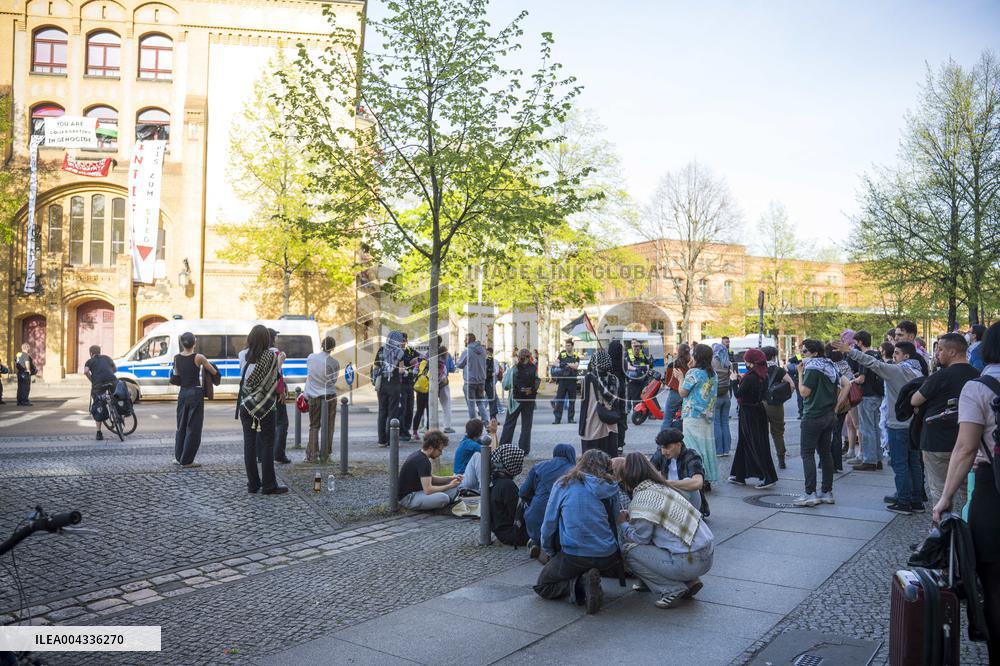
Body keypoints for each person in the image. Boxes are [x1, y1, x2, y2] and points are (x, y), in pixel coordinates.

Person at [932, 320, 1000, 663]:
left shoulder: (980, 387)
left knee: (993, 583)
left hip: (992, 492)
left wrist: (945, 498)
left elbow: (965, 448)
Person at [835, 337, 927, 514]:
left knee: (900, 464)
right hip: (913, 424)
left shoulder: (898, 371)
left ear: (906, 355)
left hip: (897, 424)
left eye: (897, 354)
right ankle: (916, 501)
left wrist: (850, 351)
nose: (894, 357)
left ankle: (904, 501)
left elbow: (872, 363)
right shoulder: (918, 371)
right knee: (914, 462)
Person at [617, 452, 714, 609]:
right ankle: (690, 581)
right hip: (707, 554)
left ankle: (671, 589)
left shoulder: (642, 499)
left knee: (628, 551)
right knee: (662, 539)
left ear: (627, 479)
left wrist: (623, 524)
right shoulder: (664, 488)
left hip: (689, 562)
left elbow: (640, 539)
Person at [533, 449, 623, 614]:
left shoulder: (564, 484)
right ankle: (589, 576)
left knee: (543, 586)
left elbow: (549, 524)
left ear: (580, 464)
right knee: (591, 560)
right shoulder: (611, 487)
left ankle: (579, 584)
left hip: (574, 554)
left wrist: (548, 551)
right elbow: (617, 522)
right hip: (607, 555)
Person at [911, 333, 979, 509]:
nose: (937, 353)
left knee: (940, 492)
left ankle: (943, 531)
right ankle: (967, 530)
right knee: (967, 493)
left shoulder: (941, 376)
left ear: (953, 352)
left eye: (940, 349)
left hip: (936, 442)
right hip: (968, 442)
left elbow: (915, 400)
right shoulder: (978, 376)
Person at [793, 339, 850, 507]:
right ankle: (827, 492)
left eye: (804, 352)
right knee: (825, 453)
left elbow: (804, 392)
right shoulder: (830, 365)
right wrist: (837, 405)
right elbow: (846, 384)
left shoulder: (811, 367)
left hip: (813, 415)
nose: (802, 355)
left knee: (807, 453)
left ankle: (810, 493)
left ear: (814, 353)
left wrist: (800, 374)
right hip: (829, 416)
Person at [237, 324, 288, 495]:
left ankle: (253, 484)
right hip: (266, 407)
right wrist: (279, 364)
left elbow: (247, 381)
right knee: (267, 445)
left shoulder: (242, 355)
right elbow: (273, 378)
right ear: (268, 339)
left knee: (249, 446)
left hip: (246, 406)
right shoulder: (271, 356)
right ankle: (269, 485)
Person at [729, 348, 779, 489]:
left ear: (751, 362)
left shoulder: (750, 377)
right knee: (746, 443)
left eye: (746, 360)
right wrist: (740, 380)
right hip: (758, 411)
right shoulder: (763, 375)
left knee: (755, 444)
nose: (744, 362)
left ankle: (768, 477)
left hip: (749, 412)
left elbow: (739, 393)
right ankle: (740, 474)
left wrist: (734, 381)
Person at [521, 444, 577, 557]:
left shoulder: (538, 467)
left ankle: (535, 542)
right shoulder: (576, 472)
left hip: (536, 519)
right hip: (564, 525)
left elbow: (523, 492)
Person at [170, 333, 218, 464]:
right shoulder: (199, 357)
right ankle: (187, 460)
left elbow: (177, 375)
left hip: (183, 393)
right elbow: (213, 371)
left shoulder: (176, 358)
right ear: (194, 343)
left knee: (181, 425)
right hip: (195, 393)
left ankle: (179, 457)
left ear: (182, 343)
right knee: (194, 427)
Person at [679, 344, 719, 486]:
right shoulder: (712, 373)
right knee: (706, 446)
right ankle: (706, 477)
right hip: (706, 415)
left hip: (692, 415)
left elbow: (683, 393)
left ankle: (696, 477)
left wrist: (680, 378)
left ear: (697, 356)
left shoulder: (693, 373)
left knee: (692, 447)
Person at [846, 331, 885, 471]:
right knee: (875, 428)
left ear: (860, 342)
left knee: (866, 428)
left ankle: (869, 460)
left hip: (867, 395)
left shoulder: (864, 356)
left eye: (856, 342)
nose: (856, 345)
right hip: (877, 394)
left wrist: (851, 381)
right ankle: (877, 458)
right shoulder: (877, 354)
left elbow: (862, 379)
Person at [398, 429, 462, 510]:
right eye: (440, 450)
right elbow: (428, 490)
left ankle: (446, 501)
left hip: (418, 492)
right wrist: (449, 485)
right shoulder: (423, 461)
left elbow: (431, 479)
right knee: (443, 498)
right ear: (431, 448)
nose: (441, 453)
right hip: (408, 498)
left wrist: (452, 478)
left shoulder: (420, 455)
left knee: (454, 490)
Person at [650, 428, 707, 514]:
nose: (663, 452)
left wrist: (667, 483)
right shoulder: (661, 454)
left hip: (690, 504)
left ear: (679, 445)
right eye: (661, 447)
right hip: (669, 499)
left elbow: (698, 483)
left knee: (687, 481)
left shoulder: (691, 456)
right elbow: (648, 471)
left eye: (667, 447)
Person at [304, 336, 340, 463]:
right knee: (329, 425)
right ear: (333, 347)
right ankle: (326, 453)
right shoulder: (334, 363)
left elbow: (309, 373)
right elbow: (333, 381)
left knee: (314, 426)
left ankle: (312, 455)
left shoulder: (311, 357)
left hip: (314, 396)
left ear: (322, 345)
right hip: (329, 396)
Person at [578, 348, 620, 458]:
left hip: (592, 423)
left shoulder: (587, 378)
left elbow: (584, 402)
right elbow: (615, 400)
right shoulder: (613, 378)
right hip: (610, 423)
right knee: (609, 459)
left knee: (591, 460)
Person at [500, 348, 538, 455]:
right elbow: (537, 382)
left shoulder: (514, 369)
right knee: (526, 426)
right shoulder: (534, 368)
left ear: (519, 357)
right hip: (529, 400)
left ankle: (504, 447)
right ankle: (524, 450)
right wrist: (530, 390)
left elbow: (506, 386)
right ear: (529, 357)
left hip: (515, 400)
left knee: (509, 424)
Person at [763, 346, 796, 469]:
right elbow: (792, 385)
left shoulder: (759, 369)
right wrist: (784, 398)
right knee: (778, 433)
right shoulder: (779, 370)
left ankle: (764, 459)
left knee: (762, 432)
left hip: (761, 404)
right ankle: (781, 458)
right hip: (776, 405)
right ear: (774, 356)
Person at [489, 444, 527, 546]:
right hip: (510, 533)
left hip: (501, 530)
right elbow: (515, 512)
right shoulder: (507, 485)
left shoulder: (496, 480)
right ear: (512, 463)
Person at [827, 344, 855, 473]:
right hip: (845, 402)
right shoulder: (846, 365)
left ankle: (828, 462)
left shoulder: (830, 367)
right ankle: (838, 464)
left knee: (829, 434)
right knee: (837, 433)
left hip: (833, 401)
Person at [375, 331, 406, 447]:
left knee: (382, 412)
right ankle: (391, 439)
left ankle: (381, 441)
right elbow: (401, 370)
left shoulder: (381, 350)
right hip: (395, 386)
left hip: (382, 385)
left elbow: (376, 367)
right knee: (392, 413)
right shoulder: (400, 353)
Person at [267, 328, 291, 464]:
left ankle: (262, 454)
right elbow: (278, 374)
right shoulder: (277, 353)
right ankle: (279, 454)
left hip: (264, 394)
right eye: (276, 336)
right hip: (276, 392)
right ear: (273, 338)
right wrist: (281, 391)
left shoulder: (259, 353)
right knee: (282, 423)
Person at [84, 345, 117, 441]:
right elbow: (115, 369)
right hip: (112, 381)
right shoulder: (107, 358)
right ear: (99, 352)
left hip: (98, 385)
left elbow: (86, 371)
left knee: (99, 404)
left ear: (91, 353)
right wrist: (109, 374)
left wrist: (92, 380)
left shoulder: (89, 361)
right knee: (116, 396)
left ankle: (98, 432)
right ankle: (119, 415)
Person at [457, 333, 490, 425]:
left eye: (465, 339)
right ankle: (486, 422)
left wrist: (459, 361)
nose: (464, 341)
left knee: (471, 404)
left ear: (468, 340)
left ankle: (474, 424)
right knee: (480, 403)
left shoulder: (467, 351)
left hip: (470, 381)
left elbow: (460, 365)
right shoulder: (483, 350)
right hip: (481, 381)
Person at [659, 344, 689, 432]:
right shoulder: (691, 365)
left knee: (667, 418)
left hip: (675, 393)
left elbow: (667, 381)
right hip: (687, 393)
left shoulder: (673, 365)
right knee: (686, 420)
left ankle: (663, 443)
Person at [608, 340, 629, 454]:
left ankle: (611, 442)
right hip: (622, 391)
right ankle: (620, 444)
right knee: (621, 419)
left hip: (611, 391)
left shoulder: (608, 362)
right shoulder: (623, 362)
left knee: (611, 418)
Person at [711, 343, 733, 456]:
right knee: (725, 423)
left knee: (716, 423)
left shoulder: (713, 362)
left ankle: (719, 450)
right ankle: (726, 449)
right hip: (726, 395)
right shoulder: (728, 363)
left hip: (716, 396)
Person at [398, 334, 421, 442]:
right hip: (400, 383)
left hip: (410, 383)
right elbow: (406, 363)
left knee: (410, 408)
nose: (402, 342)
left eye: (404, 340)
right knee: (402, 408)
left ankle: (406, 429)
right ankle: (401, 431)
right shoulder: (397, 352)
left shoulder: (410, 350)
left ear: (407, 340)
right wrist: (411, 362)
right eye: (400, 340)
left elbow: (420, 357)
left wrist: (417, 360)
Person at [552, 340, 581, 424]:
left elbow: (576, 366)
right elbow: (556, 364)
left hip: (572, 380)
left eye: (569, 345)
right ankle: (557, 419)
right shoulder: (562, 354)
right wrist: (565, 364)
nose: (567, 347)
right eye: (566, 345)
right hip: (562, 380)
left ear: (572, 346)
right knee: (559, 400)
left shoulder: (575, 355)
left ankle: (570, 419)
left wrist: (566, 364)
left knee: (572, 401)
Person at [625, 340, 652, 411]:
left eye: (638, 348)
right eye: (635, 348)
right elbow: (628, 366)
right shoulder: (629, 355)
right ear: (632, 347)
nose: (636, 350)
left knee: (643, 396)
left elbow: (648, 364)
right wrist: (637, 369)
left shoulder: (641, 354)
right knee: (632, 396)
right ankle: (634, 411)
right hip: (633, 380)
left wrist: (648, 365)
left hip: (642, 379)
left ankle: (643, 411)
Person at [441, 345, 456, 433]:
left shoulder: (429, 354)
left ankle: (426, 425)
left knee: (428, 405)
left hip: (430, 383)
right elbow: (452, 369)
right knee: (446, 405)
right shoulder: (447, 355)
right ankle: (447, 426)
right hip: (443, 383)